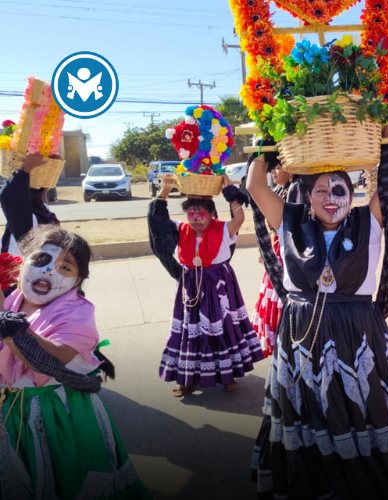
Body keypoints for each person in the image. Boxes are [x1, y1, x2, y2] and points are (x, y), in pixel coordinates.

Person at [246, 126, 388, 499]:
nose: (330, 198)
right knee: (310, 412)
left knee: (365, 409)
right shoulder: (290, 220)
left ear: (352, 196)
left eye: (339, 191)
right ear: (309, 196)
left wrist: (384, 134)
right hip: (302, 336)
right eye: (321, 190)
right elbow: (255, 185)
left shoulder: (370, 222)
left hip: (358, 334)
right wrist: (267, 136)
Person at [0, 227, 150, 499]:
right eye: (41, 260)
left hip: (58, 416)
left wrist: (7, 325)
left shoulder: (80, 314)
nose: (49, 272)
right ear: (24, 262)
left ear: (78, 279)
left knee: (68, 482)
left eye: (65, 267)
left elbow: (47, 360)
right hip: (11, 410)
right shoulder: (13, 299)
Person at [147, 176, 263, 396]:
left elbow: (239, 217)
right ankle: (187, 379)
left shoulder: (224, 229)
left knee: (223, 327)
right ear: (185, 215)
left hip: (219, 287)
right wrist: (163, 192)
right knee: (190, 331)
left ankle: (228, 375)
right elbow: (157, 223)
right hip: (191, 288)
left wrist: (229, 191)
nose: (197, 219)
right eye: (192, 214)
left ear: (212, 214)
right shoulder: (180, 229)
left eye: (202, 214)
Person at [251, 160, 299, 357]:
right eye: (272, 168)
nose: (273, 172)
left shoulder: (295, 193)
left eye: (278, 167)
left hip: (288, 255)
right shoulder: (280, 191)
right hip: (277, 251)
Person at [1, 154, 60, 257]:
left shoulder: (40, 213)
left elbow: (42, 197)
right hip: (24, 263)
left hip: (37, 263)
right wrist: (26, 168)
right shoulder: (24, 216)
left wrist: (48, 170)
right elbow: (7, 196)